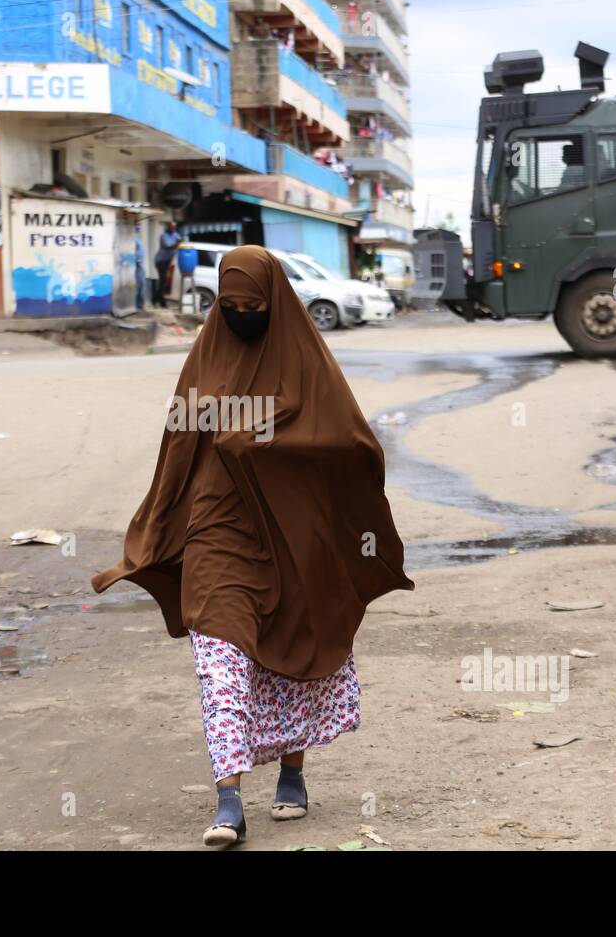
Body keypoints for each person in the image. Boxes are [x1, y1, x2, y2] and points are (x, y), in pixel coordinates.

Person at [93, 245, 413, 848]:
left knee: (289, 645)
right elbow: (177, 442)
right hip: (216, 530)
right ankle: (228, 799)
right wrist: (159, 525)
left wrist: (269, 443)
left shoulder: (304, 360)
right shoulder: (206, 355)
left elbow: (351, 444)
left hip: (297, 532)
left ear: (275, 303)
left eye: (253, 305)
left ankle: (292, 774)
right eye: (230, 304)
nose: (241, 314)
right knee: (219, 653)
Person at [153, 221, 181, 307]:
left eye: (174, 227)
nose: (173, 229)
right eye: (171, 227)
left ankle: (157, 299)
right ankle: (160, 300)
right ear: (168, 227)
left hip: (168, 261)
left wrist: (180, 242)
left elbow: (180, 241)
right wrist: (177, 244)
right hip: (161, 260)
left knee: (164, 281)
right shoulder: (164, 235)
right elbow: (166, 245)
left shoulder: (175, 235)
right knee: (163, 280)